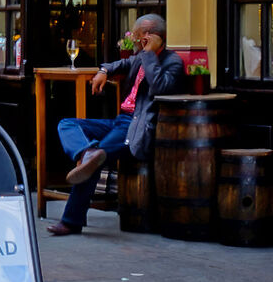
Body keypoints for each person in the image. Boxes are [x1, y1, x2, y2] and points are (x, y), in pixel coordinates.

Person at [48, 12, 184, 237]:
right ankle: (87, 152)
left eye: (138, 36)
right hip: (120, 121)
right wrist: (103, 71)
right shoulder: (139, 57)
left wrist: (150, 55)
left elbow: (161, 87)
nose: (135, 41)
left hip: (138, 126)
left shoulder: (172, 62)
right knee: (67, 124)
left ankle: (71, 221)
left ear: (148, 37)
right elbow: (118, 63)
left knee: (96, 159)